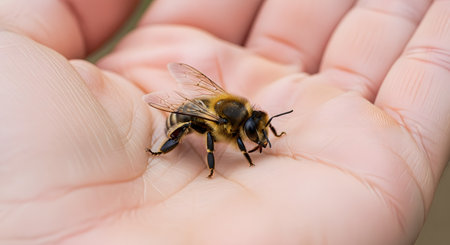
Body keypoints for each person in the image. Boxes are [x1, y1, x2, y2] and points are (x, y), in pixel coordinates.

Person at [1, 0, 448, 244]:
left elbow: (251, 120)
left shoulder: (247, 114)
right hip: (186, 111)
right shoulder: (220, 122)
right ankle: (163, 150)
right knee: (189, 125)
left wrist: (271, 132)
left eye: (260, 127)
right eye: (257, 130)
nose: (258, 133)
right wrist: (206, 164)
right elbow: (201, 120)